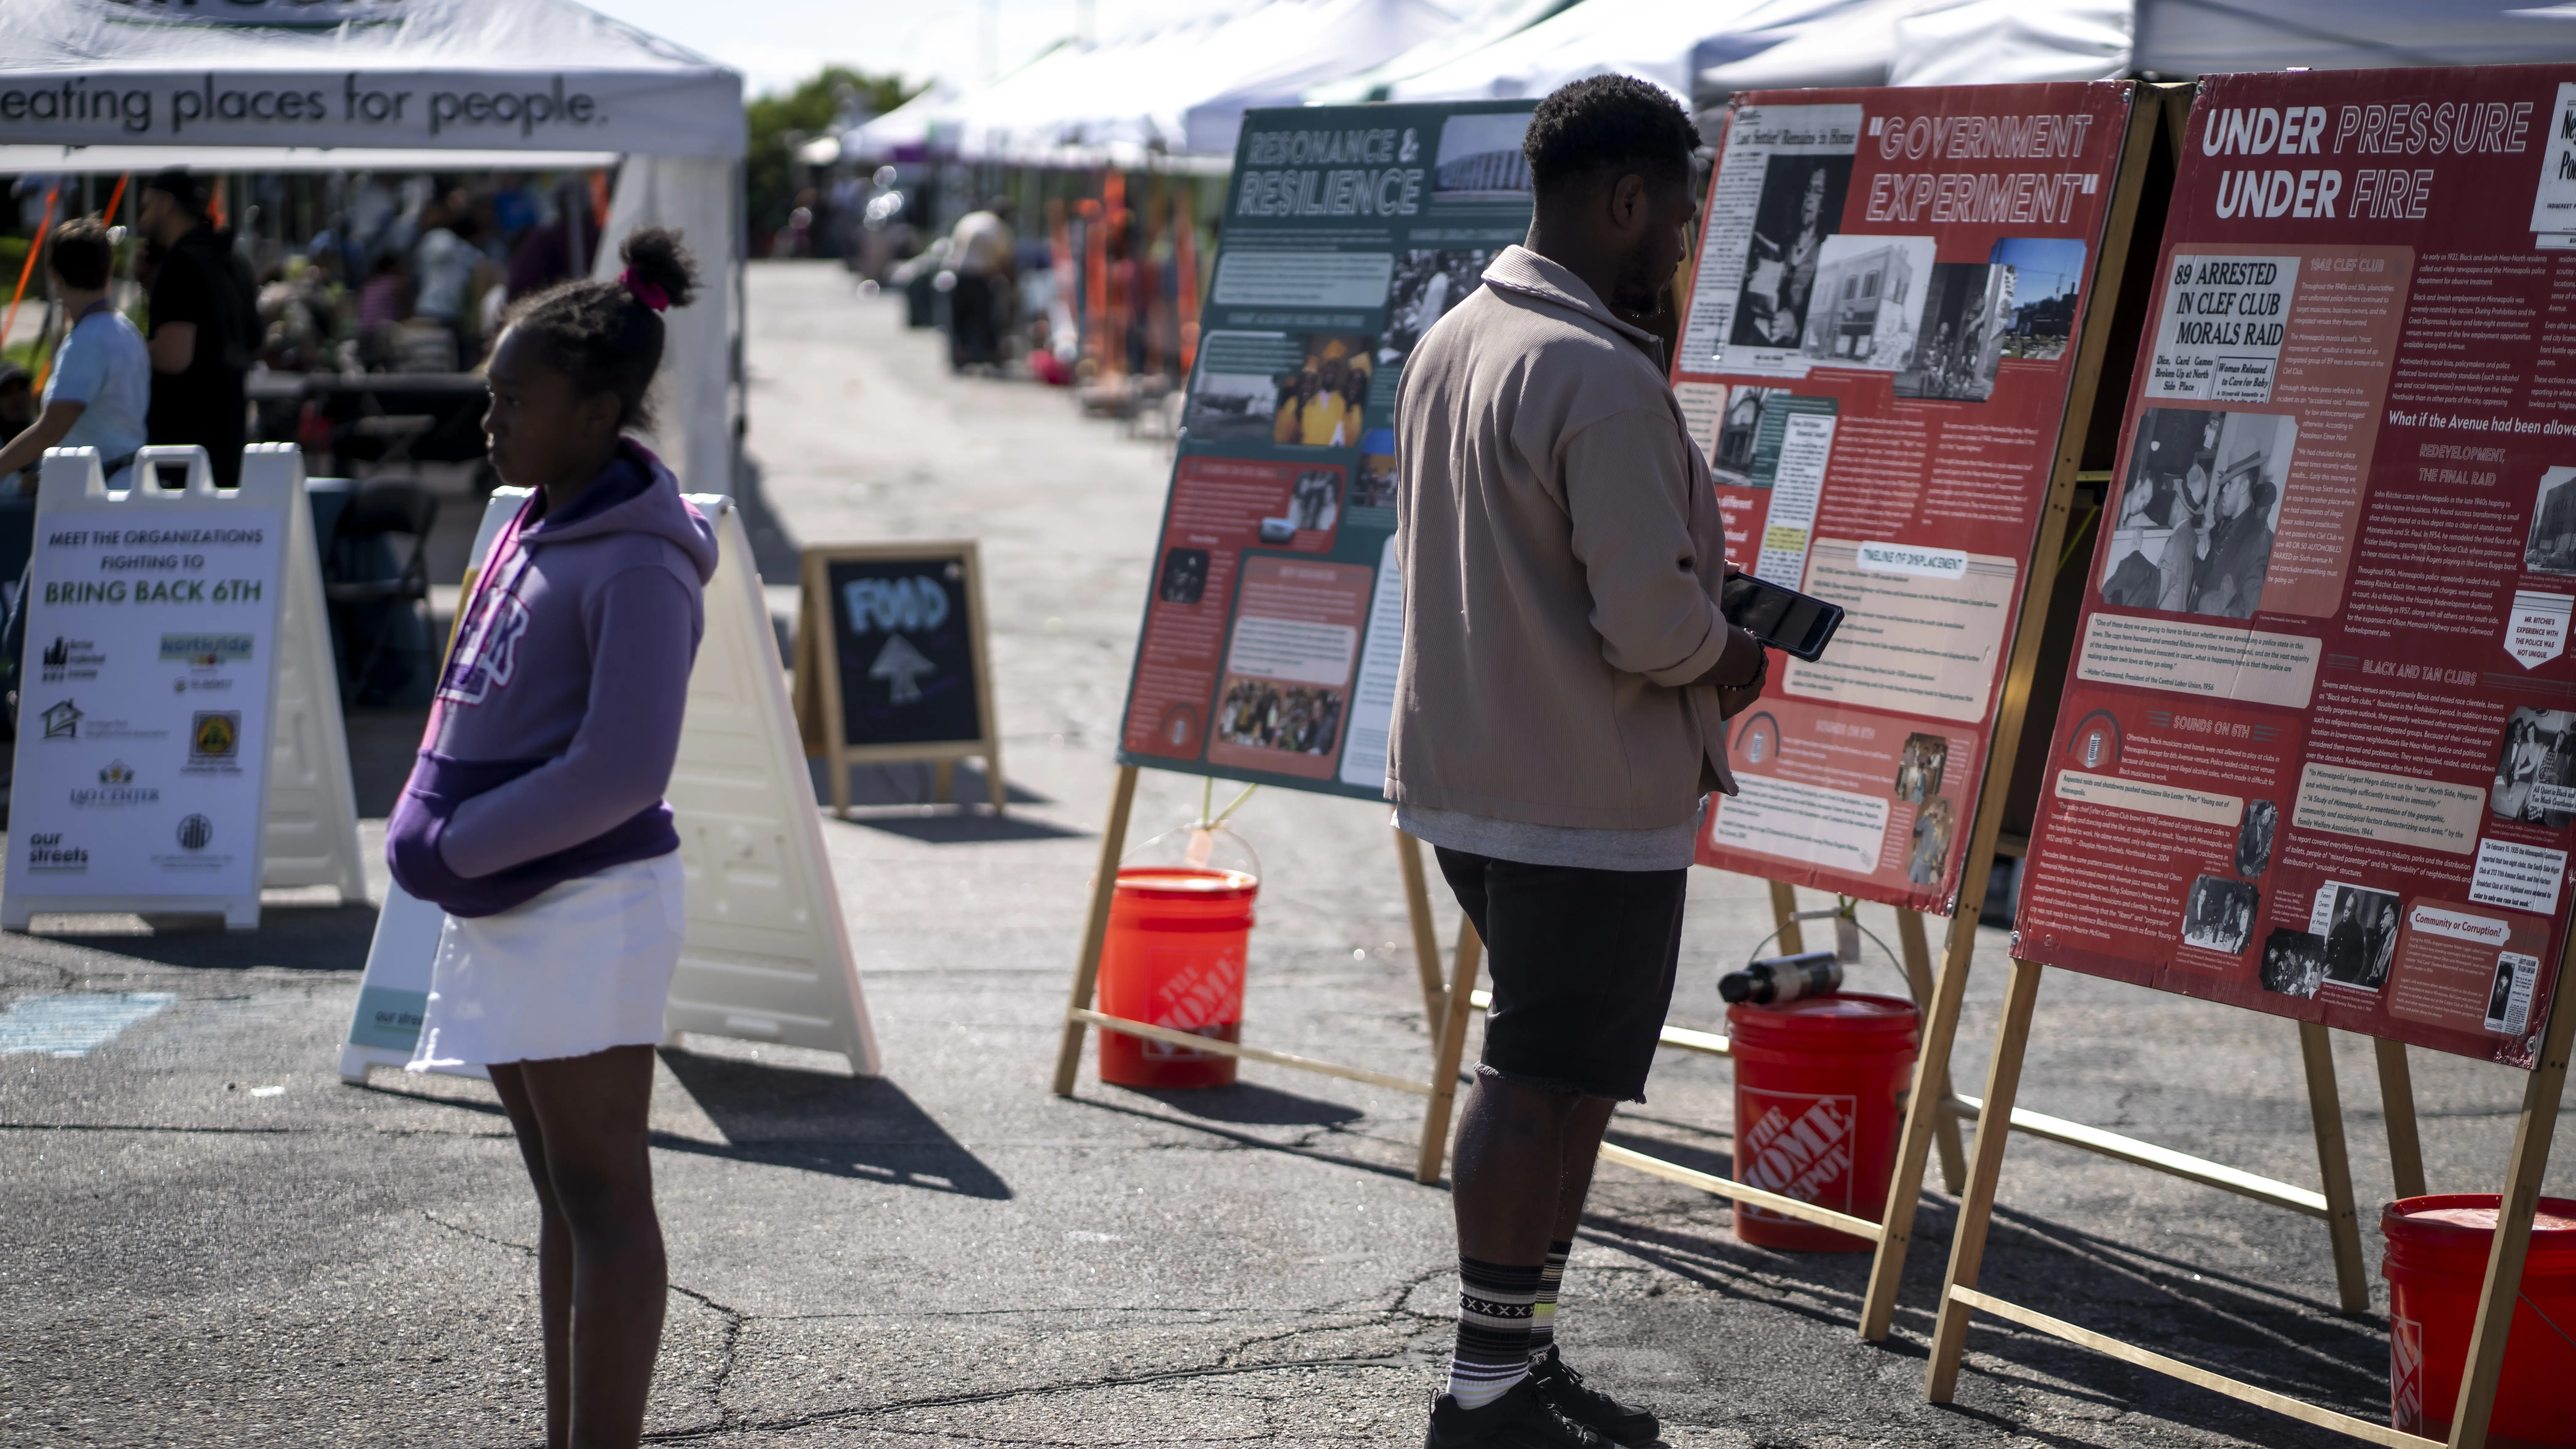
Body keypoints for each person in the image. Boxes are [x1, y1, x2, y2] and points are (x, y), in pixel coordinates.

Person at [1390, 77, 1768, 1449]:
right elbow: (1652, 624)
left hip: (1476, 777)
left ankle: (1517, 1356)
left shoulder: (1457, 339)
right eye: (1675, 210)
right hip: (1578, 793)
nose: (1679, 240)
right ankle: (1484, 1390)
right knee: (1540, 1076)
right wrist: (1730, 651)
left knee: (1559, 1076)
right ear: (1622, 199)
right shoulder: (1600, 376)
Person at [385, 228, 716, 1449]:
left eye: (514, 399)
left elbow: (625, 765)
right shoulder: (538, 516)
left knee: (603, 1196)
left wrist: (459, 843)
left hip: (581, 907)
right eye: (490, 394)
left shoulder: (640, 559)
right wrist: (441, 840)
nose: (491, 419)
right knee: (561, 1201)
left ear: (596, 410)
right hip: (514, 907)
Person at [0, 219, 150, 493]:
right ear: (108, 271)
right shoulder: (127, 332)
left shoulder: (87, 341)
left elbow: (51, 430)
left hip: (97, 492)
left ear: (56, 278)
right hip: (129, 479)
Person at [138, 170, 258, 489]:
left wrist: (128, 349)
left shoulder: (182, 263)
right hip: (229, 440)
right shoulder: (234, 260)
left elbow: (174, 355)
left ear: (167, 205)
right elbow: (253, 340)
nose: (142, 221)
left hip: (185, 450)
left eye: (146, 208)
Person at [2194, 465, 2275, 618]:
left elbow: (2250, 608)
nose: (2224, 490)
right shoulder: (2225, 526)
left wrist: (2211, 614)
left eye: (2230, 483)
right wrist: (2201, 556)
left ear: (2244, 487)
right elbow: (2203, 580)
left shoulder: (2258, 536)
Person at [945, 197, 1016, 370]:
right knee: (985, 319)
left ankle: (961, 354)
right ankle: (990, 355)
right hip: (980, 277)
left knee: (961, 319)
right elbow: (1005, 259)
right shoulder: (999, 228)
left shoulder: (970, 220)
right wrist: (1012, 282)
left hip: (959, 274)